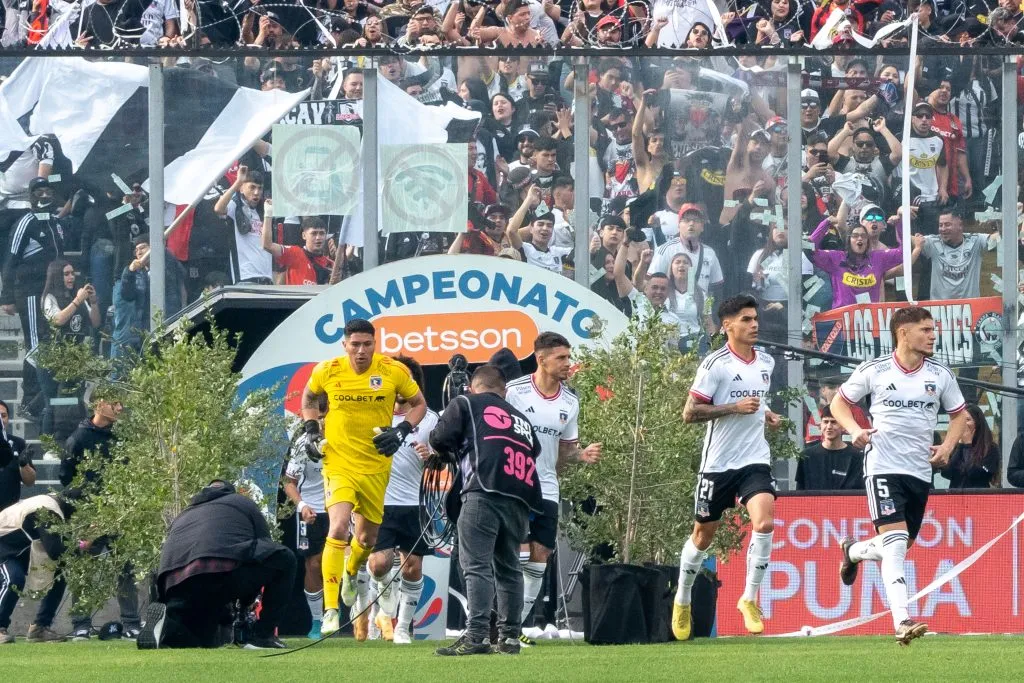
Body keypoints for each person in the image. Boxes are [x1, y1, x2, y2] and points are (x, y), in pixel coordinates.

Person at [832, 306, 968, 646]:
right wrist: (854, 430)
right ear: (903, 333)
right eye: (925, 329)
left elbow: (960, 416)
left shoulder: (939, 375)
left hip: (919, 471)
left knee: (900, 545)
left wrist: (948, 448)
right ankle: (902, 620)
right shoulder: (875, 370)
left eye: (932, 329)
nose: (932, 335)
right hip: (882, 464)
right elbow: (839, 403)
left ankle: (854, 552)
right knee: (895, 546)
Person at [300, 318, 427, 639]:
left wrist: (401, 430)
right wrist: (312, 429)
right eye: (354, 345)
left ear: (375, 344)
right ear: (344, 345)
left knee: (368, 541)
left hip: (375, 465)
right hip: (339, 461)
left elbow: (419, 404)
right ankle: (331, 611)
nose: (360, 351)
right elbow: (309, 399)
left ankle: (351, 570)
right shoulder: (327, 370)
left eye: (366, 344)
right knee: (338, 526)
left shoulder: (392, 372)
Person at [675, 294, 783, 640]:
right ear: (727, 326)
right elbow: (690, 413)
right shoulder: (715, 365)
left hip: (754, 459)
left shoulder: (765, 361)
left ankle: (749, 598)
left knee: (764, 522)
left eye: (755, 319)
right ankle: (682, 598)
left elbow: (758, 399)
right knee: (702, 536)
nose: (754, 325)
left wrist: (766, 413)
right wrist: (732, 407)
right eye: (747, 320)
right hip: (719, 463)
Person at [430, 365, 544, 656]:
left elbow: (439, 438)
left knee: (476, 566)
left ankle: (477, 636)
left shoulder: (465, 402)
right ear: (503, 391)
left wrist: (448, 451)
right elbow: (536, 450)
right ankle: (509, 639)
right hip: (520, 498)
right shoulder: (521, 419)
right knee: (509, 568)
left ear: (474, 387)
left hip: (483, 489)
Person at [505, 332, 600, 644]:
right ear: (540, 359)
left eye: (568, 357)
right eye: (561, 358)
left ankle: (513, 628)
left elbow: (566, 450)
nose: (567, 364)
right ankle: (502, 620)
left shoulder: (570, 401)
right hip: (515, 485)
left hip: (547, 486)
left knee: (539, 556)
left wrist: (580, 455)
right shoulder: (514, 392)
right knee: (517, 553)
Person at [140, 481, 296, 650]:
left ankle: (167, 626)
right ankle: (262, 636)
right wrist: (246, 601)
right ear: (230, 491)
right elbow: (264, 547)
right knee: (284, 558)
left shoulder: (185, 513)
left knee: (197, 637)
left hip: (175, 584)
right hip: (220, 572)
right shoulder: (242, 503)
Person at [368, 355, 439, 644]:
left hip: (416, 503)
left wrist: (432, 457)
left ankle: (402, 628)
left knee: (412, 567)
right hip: (380, 502)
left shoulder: (431, 418)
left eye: (405, 376)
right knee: (379, 565)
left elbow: (444, 462)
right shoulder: (374, 413)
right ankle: (382, 610)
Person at [59, 394, 142, 641]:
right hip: (89, 515)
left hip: (119, 512)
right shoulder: (79, 438)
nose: (119, 407)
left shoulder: (122, 436)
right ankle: (81, 624)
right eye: (114, 403)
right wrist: (88, 508)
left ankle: (131, 622)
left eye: (120, 403)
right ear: (98, 404)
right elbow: (67, 477)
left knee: (125, 568)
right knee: (85, 567)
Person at [0, 177, 64, 419]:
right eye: (39, 191)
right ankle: (29, 401)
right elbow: (10, 260)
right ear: (31, 195)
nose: (44, 195)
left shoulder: (57, 223)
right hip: (30, 292)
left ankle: (40, 400)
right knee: (36, 345)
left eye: (48, 190)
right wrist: (6, 297)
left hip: (53, 292)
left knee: (49, 343)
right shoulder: (25, 222)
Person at [281, 394, 329, 640]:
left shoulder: (345, 438)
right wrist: (302, 507)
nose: (321, 423)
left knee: (350, 564)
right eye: (317, 418)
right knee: (314, 565)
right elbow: (289, 483)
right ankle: (317, 623)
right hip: (313, 512)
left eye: (325, 417)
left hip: (342, 508)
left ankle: (359, 618)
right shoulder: (303, 443)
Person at [0, 492, 75, 644]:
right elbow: (55, 551)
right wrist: (79, 548)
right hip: (4, 547)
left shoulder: (48, 504)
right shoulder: (47, 510)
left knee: (59, 574)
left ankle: (40, 627)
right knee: (13, 579)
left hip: (20, 548)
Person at [213, 165, 272, 285]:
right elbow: (219, 209)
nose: (256, 192)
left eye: (259, 188)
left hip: (267, 279)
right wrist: (238, 182)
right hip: (246, 278)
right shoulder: (235, 206)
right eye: (252, 187)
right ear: (242, 189)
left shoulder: (264, 210)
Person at [260, 202, 334, 285]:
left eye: (322, 233)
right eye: (314, 233)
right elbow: (267, 245)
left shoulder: (330, 264)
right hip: (296, 297)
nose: (318, 237)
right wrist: (268, 214)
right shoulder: (294, 253)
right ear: (304, 235)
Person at [796, 406, 864, 491]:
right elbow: (799, 492)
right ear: (820, 425)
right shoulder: (806, 456)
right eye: (825, 422)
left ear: (843, 426)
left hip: (845, 503)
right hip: (814, 504)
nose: (829, 426)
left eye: (833, 422)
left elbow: (860, 492)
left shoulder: (857, 457)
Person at [937, 403, 999, 489]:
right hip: (954, 497)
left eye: (968, 420)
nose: (963, 424)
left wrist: (968, 445)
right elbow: (947, 473)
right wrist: (960, 445)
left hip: (979, 497)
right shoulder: (954, 445)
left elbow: (975, 473)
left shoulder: (990, 448)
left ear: (977, 423)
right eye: (961, 421)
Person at [0, 399, 34, 510]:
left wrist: (24, 465)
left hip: (11, 513)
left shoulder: (18, 443)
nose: (0, 419)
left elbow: (30, 481)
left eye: (3, 415)